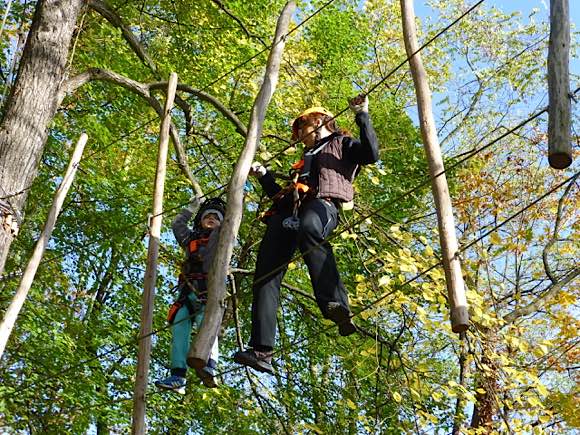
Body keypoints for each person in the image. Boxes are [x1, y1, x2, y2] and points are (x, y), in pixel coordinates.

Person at [234, 95, 379, 374]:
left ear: (320, 121)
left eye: (302, 127)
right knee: (265, 275)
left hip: (322, 205)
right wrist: (264, 176)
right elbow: (281, 197)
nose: (299, 135)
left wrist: (362, 114)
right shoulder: (303, 161)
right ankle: (262, 350)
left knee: (310, 228)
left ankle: (336, 304)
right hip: (288, 213)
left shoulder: (341, 144)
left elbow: (371, 155)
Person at [156, 196, 226, 393]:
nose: (211, 219)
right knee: (179, 325)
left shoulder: (222, 238)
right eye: (207, 217)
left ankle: (210, 365)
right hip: (188, 292)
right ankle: (178, 375)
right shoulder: (191, 239)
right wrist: (190, 208)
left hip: (209, 291)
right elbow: (177, 225)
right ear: (200, 220)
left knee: (207, 323)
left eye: (216, 217)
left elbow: (231, 225)